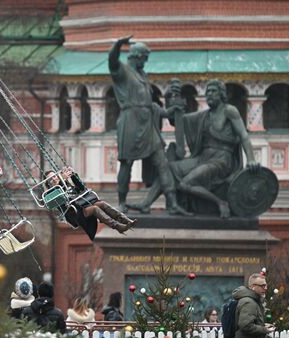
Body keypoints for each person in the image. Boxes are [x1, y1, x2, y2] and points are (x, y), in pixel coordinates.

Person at [128, 80, 260, 218]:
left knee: (185, 184)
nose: (209, 94)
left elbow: (243, 135)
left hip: (221, 161)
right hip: (203, 157)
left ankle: (221, 203)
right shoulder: (204, 115)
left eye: (213, 91)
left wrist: (251, 159)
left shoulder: (229, 111)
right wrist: (169, 99)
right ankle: (146, 203)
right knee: (169, 168)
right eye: (207, 92)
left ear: (221, 94)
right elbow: (177, 120)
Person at [108, 35, 190, 216]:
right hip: (130, 121)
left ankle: (173, 203)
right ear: (136, 56)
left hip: (148, 122)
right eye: (144, 58)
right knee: (126, 163)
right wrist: (118, 44)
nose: (146, 61)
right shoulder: (122, 71)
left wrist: (168, 104)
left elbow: (149, 102)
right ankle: (122, 202)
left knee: (162, 162)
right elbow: (112, 60)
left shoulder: (142, 75)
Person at [43, 166, 135, 240]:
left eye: (54, 176)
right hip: (75, 214)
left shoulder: (66, 184)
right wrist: (62, 181)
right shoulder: (51, 194)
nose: (54, 179)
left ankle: (125, 220)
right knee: (95, 209)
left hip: (83, 206)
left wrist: (73, 175)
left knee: (101, 204)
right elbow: (61, 197)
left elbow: (81, 188)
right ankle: (118, 227)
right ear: (48, 183)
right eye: (50, 179)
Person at [230, 273, 275, 338]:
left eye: (265, 285)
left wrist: (262, 325)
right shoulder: (249, 302)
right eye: (262, 286)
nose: (265, 288)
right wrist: (264, 329)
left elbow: (249, 322)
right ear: (252, 287)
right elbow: (245, 325)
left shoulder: (253, 301)